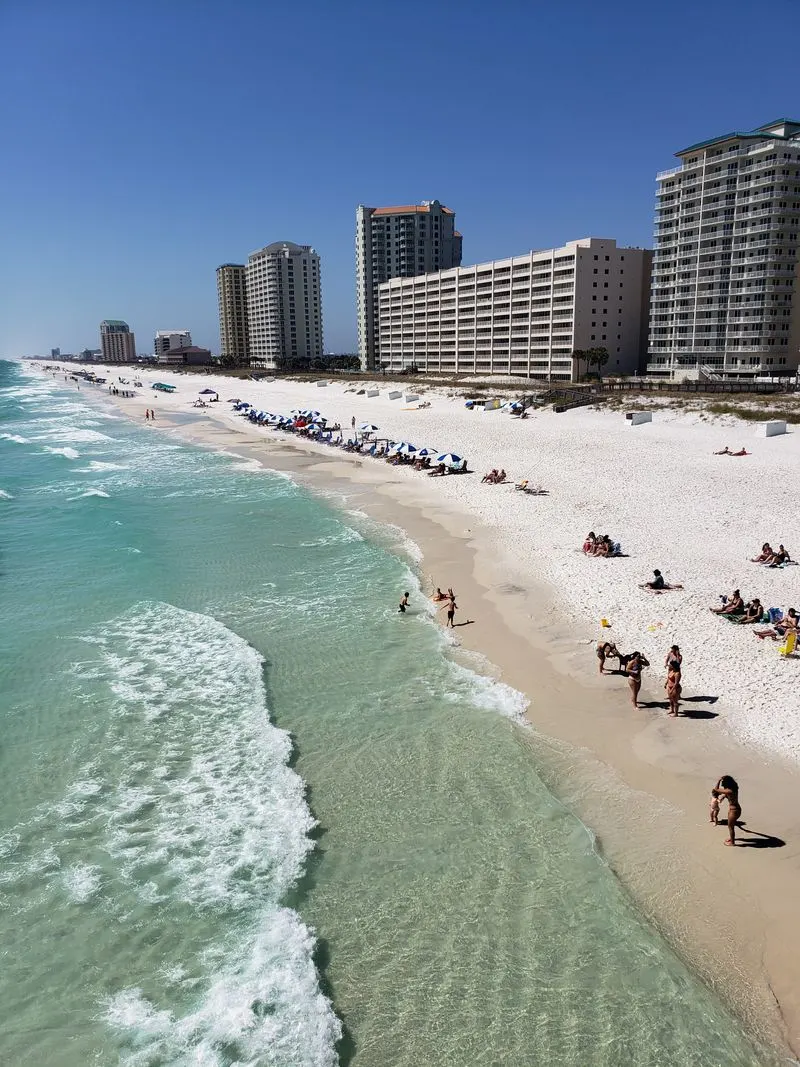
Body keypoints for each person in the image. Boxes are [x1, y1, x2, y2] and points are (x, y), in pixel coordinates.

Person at [710, 776, 741, 846]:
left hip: (734, 811)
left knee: (730, 827)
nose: (722, 785)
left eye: (723, 783)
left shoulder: (729, 791)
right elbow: (727, 795)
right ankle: (732, 838)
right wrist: (723, 797)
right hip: (736, 809)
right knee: (731, 826)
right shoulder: (734, 788)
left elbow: (716, 789)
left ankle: (732, 843)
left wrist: (718, 780)